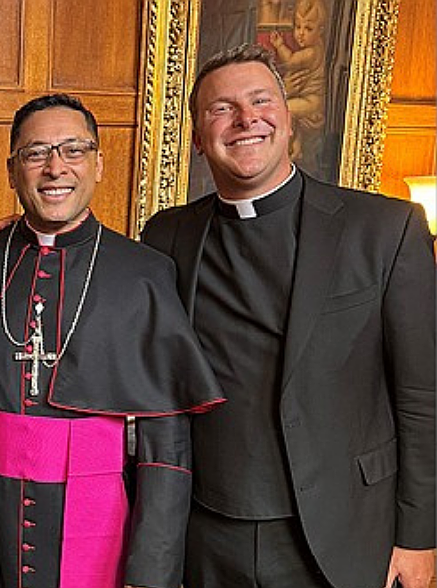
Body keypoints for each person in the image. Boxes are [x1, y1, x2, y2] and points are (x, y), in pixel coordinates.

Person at [141, 44, 436, 588]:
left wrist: (419, 536)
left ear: (289, 120)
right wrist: (21, 233)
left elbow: (423, 397)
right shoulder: (167, 235)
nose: (246, 118)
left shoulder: (386, 230)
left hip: (343, 526)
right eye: (221, 108)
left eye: (260, 101)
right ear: (199, 140)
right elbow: (104, 282)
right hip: (209, 529)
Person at [0, 93, 224, 588]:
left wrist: (152, 570)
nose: (56, 168)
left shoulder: (143, 274)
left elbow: (167, 444)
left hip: (94, 515)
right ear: (13, 170)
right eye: (36, 153)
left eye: (74, 150)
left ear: (99, 165)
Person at [270, 0, 326, 166]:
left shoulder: (311, 52)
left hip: (311, 102)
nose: (300, 33)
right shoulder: (312, 48)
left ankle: (294, 146)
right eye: (298, 27)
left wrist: (279, 45)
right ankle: (296, 144)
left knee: (285, 108)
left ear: (321, 31)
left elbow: (290, 61)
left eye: (308, 28)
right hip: (307, 98)